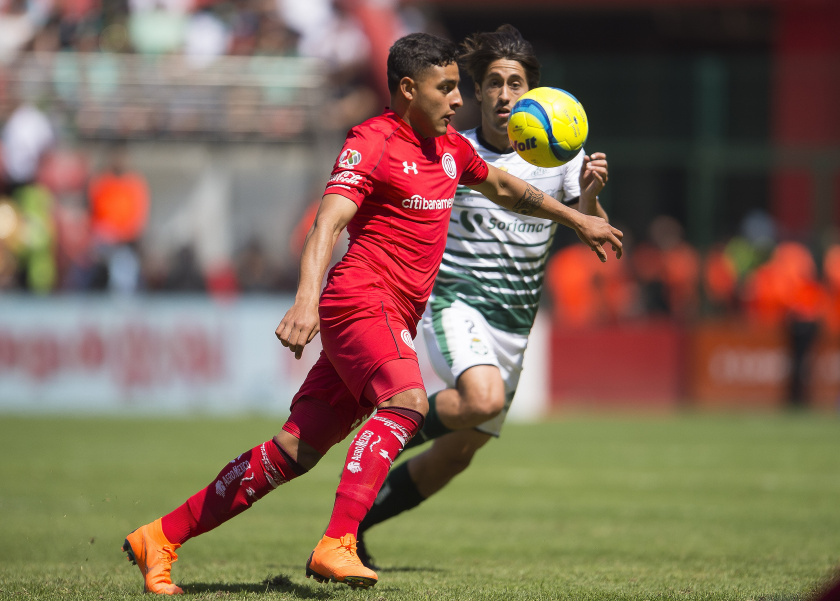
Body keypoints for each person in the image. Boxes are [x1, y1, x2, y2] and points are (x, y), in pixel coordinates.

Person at [120, 31, 623, 595]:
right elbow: (328, 223)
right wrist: (305, 301)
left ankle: (159, 537)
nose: (459, 101)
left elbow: (506, 186)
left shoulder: (451, 149)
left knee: (295, 451)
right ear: (409, 89)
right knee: (407, 402)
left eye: (459, 89)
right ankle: (338, 542)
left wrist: (580, 220)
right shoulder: (372, 142)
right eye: (447, 89)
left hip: (391, 315)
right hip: (360, 301)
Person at [354, 24, 613, 569]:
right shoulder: (455, 150)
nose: (503, 95)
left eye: (515, 83)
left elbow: (594, 229)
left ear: (532, 93)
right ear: (476, 91)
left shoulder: (561, 153)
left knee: (456, 455)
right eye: (492, 82)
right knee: (482, 399)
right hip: (455, 302)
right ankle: (381, 434)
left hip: (515, 324)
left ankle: (354, 528)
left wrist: (588, 195)